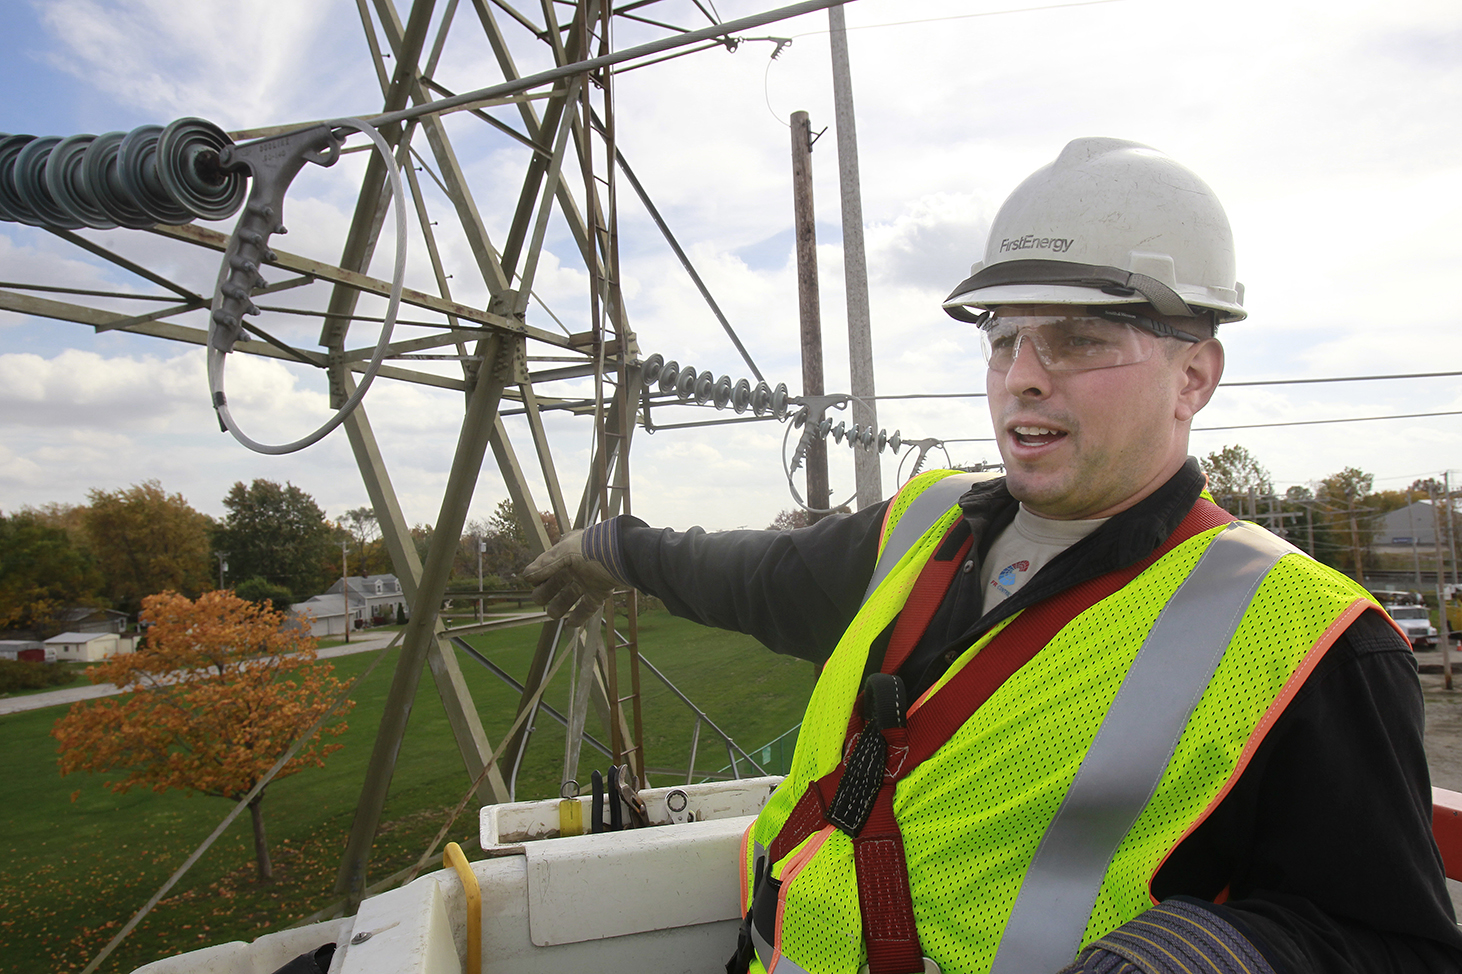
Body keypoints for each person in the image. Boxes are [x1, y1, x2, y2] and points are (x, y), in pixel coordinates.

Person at [524, 138, 1462, 974]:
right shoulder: (928, 525)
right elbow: (761, 578)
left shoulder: (1308, 638)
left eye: (1078, 338)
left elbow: (1389, 940)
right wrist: (617, 549)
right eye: (1005, 337)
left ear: (1195, 376)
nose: (1022, 375)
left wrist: (1212, 949)